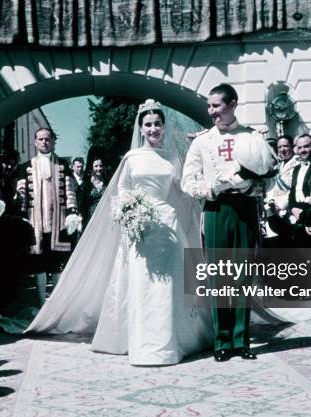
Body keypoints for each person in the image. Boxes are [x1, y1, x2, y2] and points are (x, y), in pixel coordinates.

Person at [20, 100, 214, 366]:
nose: (154, 128)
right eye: (148, 124)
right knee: (143, 283)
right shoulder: (131, 158)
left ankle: (171, 341)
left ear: (163, 126)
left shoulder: (173, 157)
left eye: (158, 124)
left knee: (169, 283)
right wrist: (132, 212)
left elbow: (181, 190)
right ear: (141, 128)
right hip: (141, 228)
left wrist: (203, 189)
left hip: (168, 226)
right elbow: (122, 192)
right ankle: (142, 341)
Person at [181, 84, 275, 362]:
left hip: (244, 209)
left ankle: (240, 339)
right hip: (216, 210)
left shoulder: (252, 136)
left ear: (232, 104)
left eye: (217, 106)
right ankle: (222, 340)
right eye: (209, 107)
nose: (211, 112)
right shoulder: (202, 141)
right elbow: (187, 181)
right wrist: (212, 188)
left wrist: (251, 187)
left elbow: (268, 176)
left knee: (243, 275)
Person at [14, 128, 80, 306]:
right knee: (38, 263)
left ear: (53, 141)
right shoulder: (25, 166)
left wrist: (72, 212)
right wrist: (22, 216)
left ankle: (56, 302)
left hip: (58, 222)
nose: (44, 142)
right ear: (35, 142)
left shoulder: (63, 165)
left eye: (48, 139)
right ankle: (41, 301)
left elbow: (70, 191)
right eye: (41, 139)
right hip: (35, 223)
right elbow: (21, 196)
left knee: (57, 261)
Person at [79, 157, 108, 227]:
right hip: (90, 219)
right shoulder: (86, 184)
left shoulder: (107, 181)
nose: (99, 168)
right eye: (96, 166)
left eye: (100, 166)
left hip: (105, 218)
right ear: (92, 168)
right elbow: (82, 204)